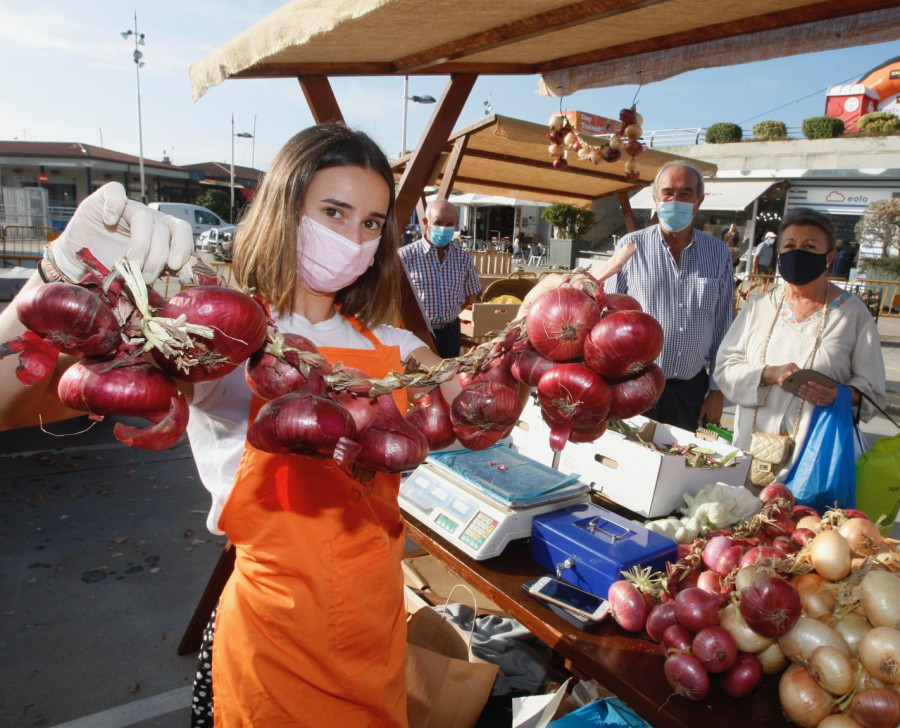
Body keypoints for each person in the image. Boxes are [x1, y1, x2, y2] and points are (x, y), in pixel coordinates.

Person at [0, 124, 468, 727]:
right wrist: (51, 282)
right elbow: (16, 398)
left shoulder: (397, 348)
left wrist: (545, 330)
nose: (354, 239)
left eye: (372, 224)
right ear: (283, 210)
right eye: (334, 212)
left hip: (374, 622)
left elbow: (482, 408)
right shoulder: (221, 341)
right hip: (275, 637)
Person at [715, 207, 887, 479]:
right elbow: (725, 368)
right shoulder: (759, 306)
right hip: (753, 453)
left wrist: (838, 394)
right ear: (780, 253)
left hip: (819, 459)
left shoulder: (852, 314)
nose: (798, 253)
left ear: (829, 257)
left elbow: (874, 391)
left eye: (809, 246)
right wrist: (768, 374)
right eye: (790, 245)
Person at [604, 160, 734, 432]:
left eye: (685, 193)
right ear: (655, 199)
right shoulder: (630, 247)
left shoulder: (718, 253)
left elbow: (724, 326)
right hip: (634, 383)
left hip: (689, 390)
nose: (676, 199)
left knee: (679, 464)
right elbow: (609, 320)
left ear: (698, 201)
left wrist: (717, 392)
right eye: (668, 192)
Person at [399, 198, 482, 358]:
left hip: (450, 332)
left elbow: (470, 296)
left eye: (449, 224)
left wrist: (449, 314)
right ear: (426, 222)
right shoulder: (405, 256)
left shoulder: (463, 259)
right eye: (439, 222)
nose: (444, 228)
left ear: (456, 224)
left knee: (447, 380)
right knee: (417, 379)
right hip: (415, 332)